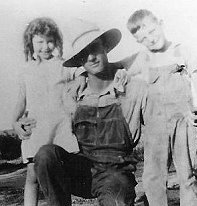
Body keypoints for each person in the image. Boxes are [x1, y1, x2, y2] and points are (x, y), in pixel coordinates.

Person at [33, 21, 148, 206]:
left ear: (106, 48)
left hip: (115, 173)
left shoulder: (133, 89)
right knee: (46, 155)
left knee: (116, 200)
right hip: (83, 171)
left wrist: (148, 185)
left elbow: (150, 57)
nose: (92, 58)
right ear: (79, 61)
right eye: (84, 54)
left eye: (95, 49)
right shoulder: (72, 94)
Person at [120, 9, 197, 206]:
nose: (151, 39)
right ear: (138, 42)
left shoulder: (181, 50)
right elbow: (111, 68)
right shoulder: (140, 59)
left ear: (161, 23)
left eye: (152, 31)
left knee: (187, 175)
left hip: (184, 122)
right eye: (144, 38)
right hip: (155, 127)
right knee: (153, 178)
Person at [11, 17, 82, 206]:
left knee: (59, 175)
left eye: (50, 40)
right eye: (40, 41)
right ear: (31, 43)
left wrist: (77, 85)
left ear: (57, 41)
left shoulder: (64, 66)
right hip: (36, 130)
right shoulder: (26, 70)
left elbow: (82, 75)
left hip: (60, 130)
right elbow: (21, 100)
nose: (45, 46)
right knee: (32, 178)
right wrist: (14, 123)